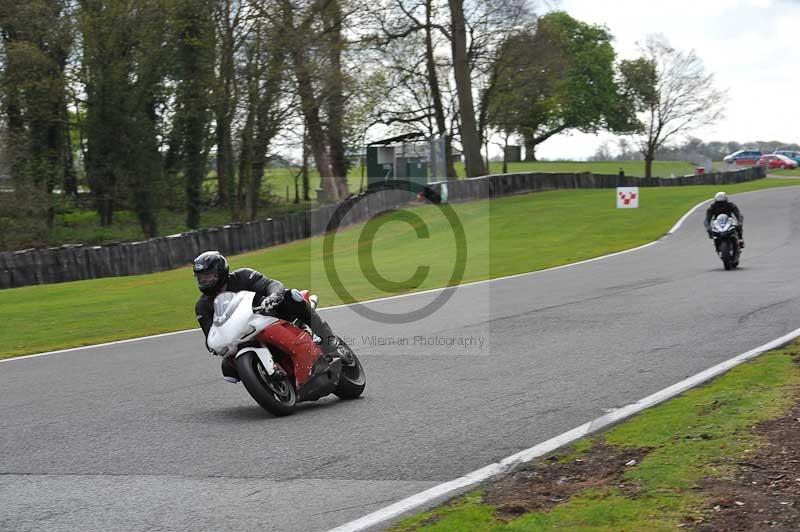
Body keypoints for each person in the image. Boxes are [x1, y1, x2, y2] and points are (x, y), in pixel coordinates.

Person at [193, 251, 338, 383]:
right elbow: (210, 336)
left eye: (208, 275)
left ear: (220, 272)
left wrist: (274, 295)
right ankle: (265, 377)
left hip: (270, 314)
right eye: (200, 277)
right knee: (228, 369)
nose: (204, 281)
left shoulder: (243, 276)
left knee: (293, 297)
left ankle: (329, 342)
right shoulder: (203, 306)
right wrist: (214, 346)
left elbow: (272, 284)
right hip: (241, 336)